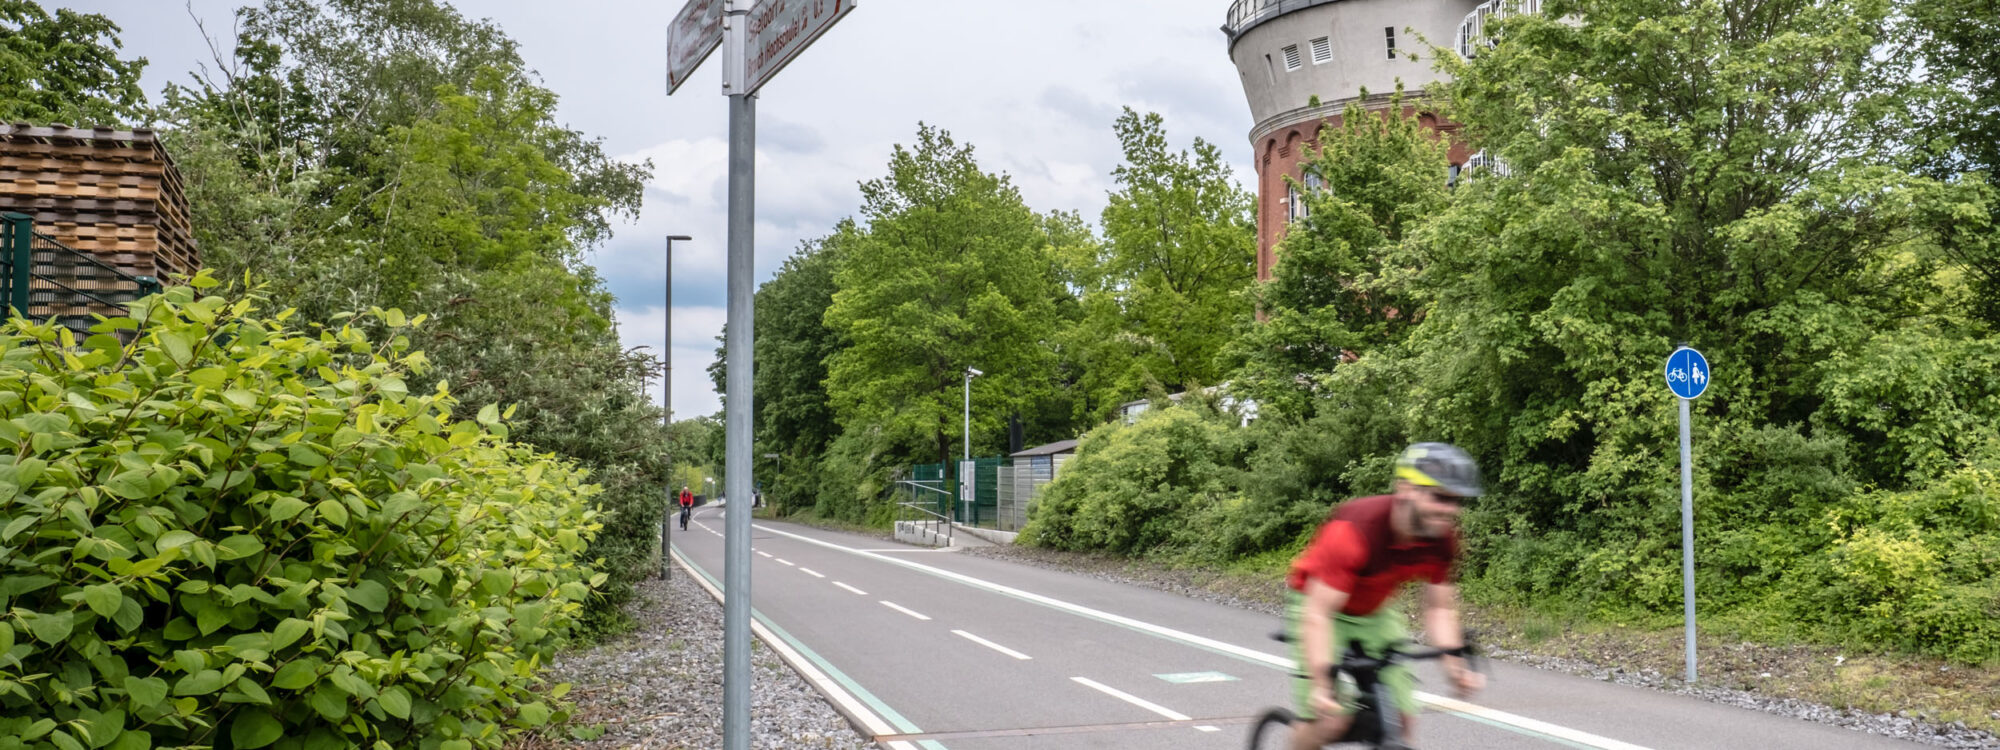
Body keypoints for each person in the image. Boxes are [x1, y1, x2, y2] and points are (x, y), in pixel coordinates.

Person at [1285, 442, 1486, 750]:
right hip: (1320, 607)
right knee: (1330, 720)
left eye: (1456, 501)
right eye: (1440, 497)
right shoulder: (1354, 531)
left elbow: (1438, 609)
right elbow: (1318, 614)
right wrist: (1322, 686)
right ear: (1406, 489)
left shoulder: (1442, 539)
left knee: (1400, 719)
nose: (1450, 510)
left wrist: (1454, 667)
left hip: (1374, 610)